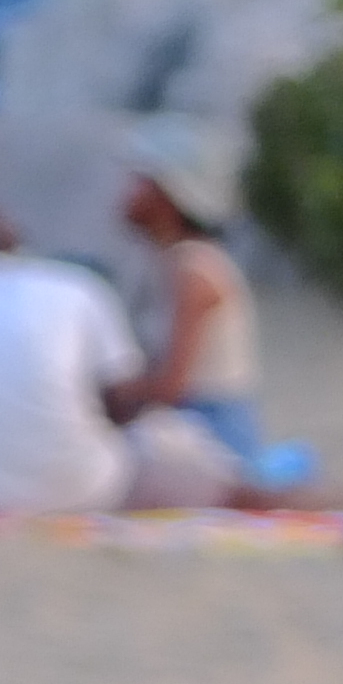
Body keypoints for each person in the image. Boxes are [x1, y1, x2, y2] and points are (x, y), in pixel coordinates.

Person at [0, 200, 251, 514]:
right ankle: (305, 499)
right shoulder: (76, 286)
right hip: (91, 489)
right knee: (225, 486)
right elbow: (122, 404)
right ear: (19, 246)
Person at [109, 119, 265, 462]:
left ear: (169, 195)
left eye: (141, 182)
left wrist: (108, 392)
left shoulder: (195, 270)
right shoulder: (173, 262)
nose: (127, 192)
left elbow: (171, 386)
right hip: (194, 423)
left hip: (213, 431)